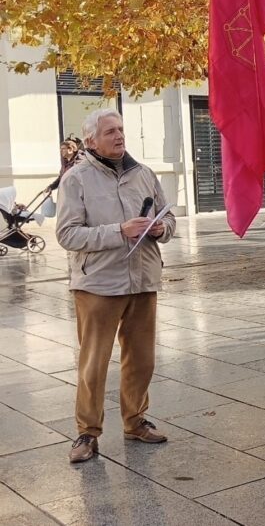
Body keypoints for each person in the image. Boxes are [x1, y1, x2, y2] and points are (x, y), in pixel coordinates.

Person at [55, 109, 176, 464]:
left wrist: (160, 229)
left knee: (142, 359)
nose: (119, 136)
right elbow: (67, 234)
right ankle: (87, 434)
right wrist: (119, 231)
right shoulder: (76, 179)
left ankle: (135, 420)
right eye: (110, 131)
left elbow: (168, 218)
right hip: (98, 285)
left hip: (142, 280)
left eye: (121, 129)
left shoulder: (144, 173)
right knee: (93, 363)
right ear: (91, 140)